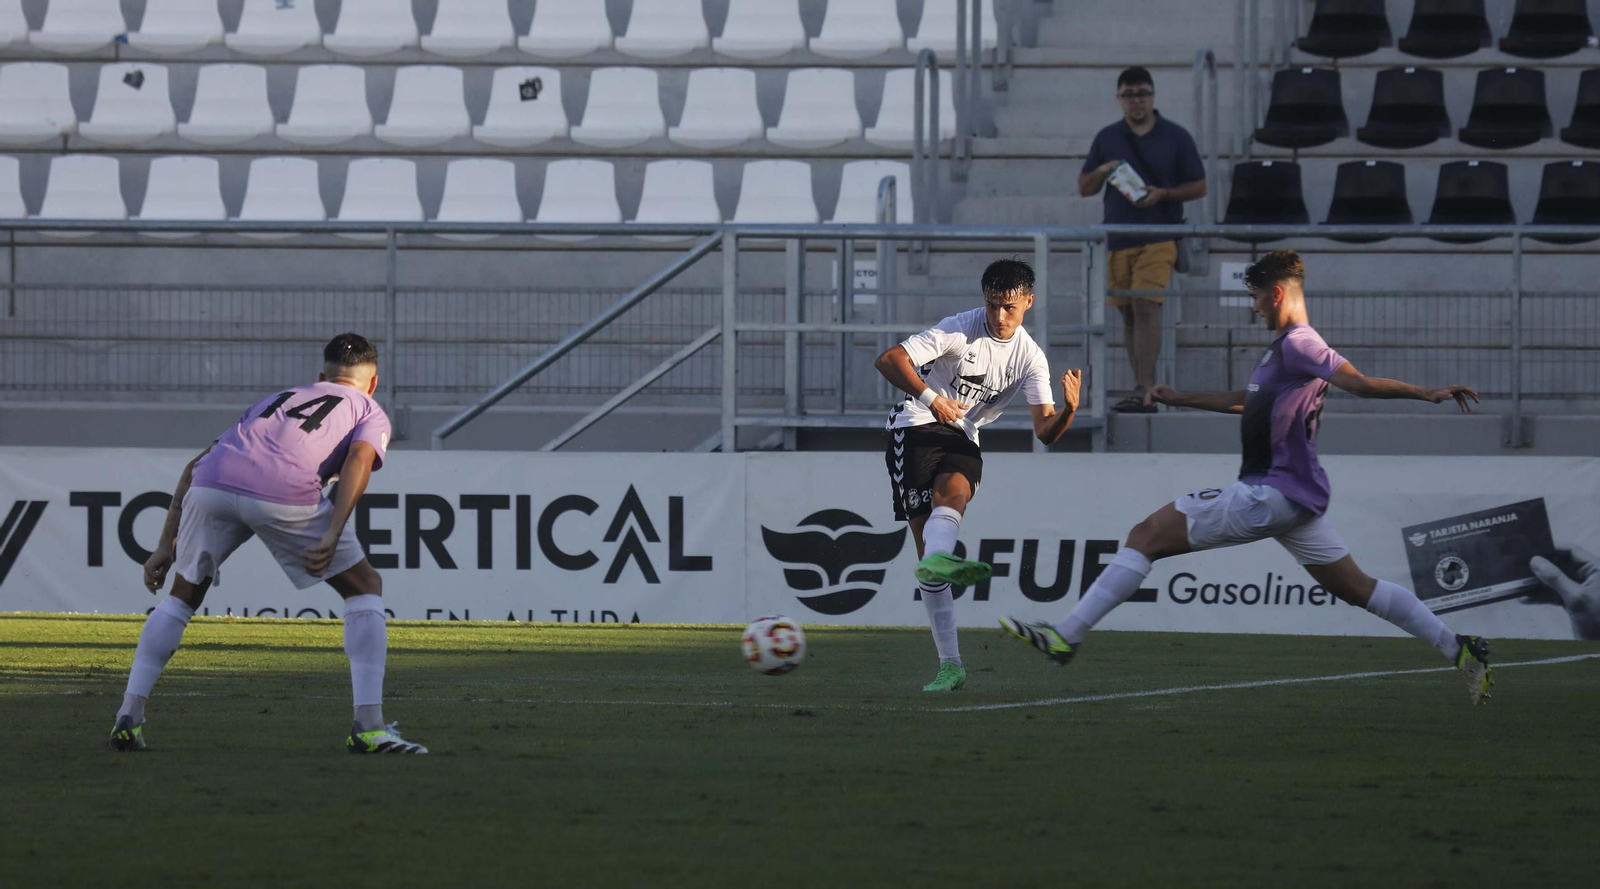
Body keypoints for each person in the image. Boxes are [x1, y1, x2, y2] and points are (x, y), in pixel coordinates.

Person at [1000, 250, 1496, 705]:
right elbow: (1249, 400)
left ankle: (1067, 636)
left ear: (1276, 294)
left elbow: (1359, 383)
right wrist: (1183, 398)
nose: (1254, 308)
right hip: (1297, 500)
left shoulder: (1301, 343)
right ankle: (1460, 649)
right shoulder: (1282, 352)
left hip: (1269, 492)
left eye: (1257, 297)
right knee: (1359, 588)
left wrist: (1427, 393)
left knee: (1145, 535)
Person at [108, 333, 429, 753]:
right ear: (373, 382)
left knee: (181, 597)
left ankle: (129, 714)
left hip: (211, 484)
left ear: (321, 377)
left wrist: (165, 543)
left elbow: (194, 466)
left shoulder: (276, 399)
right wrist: (333, 530)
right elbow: (359, 459)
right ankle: (369, 727)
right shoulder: (367, 408)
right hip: (282, 490)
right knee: (364, 587)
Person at [874, 259, 1082, 692]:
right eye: (992, 305)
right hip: (915, 424)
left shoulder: (1031, 357)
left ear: (1029, 302)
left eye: (1009, 307)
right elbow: (889, 359)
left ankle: (940, 560)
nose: (999, 316)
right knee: (928, 562)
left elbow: (1045, 431)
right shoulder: (959, 329)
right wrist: (932, 399)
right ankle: (950, 662)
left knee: (955, 496)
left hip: (964, 433)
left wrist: (1069, 411)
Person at [1080, 66, 1207, 413]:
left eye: (1142, 94)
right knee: (1129, 314)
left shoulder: (1176, 136)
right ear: (1119, 98)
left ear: (1153, 96)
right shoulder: (1107, 137)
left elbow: (1199, 185)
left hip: (1160, 235)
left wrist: (1164, 194)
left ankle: (1145, 387)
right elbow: (1084, 187)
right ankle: (1141, 387)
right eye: (1129, 95)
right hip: (1119, 236)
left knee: (1146, 305)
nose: (1136, 101)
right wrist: (1103, 170)